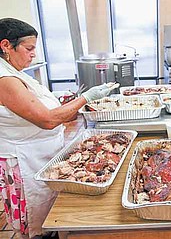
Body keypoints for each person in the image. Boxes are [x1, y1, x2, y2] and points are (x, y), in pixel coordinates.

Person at [0, 18, 119, 238]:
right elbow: (47, 120)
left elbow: (38, 106)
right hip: (25, 159)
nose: (33, 54)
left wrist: (64, 101)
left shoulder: (15, 71)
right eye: (28, 49)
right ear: (6, 45)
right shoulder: (4, 78)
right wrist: (85, 97)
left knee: (48, 214)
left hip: (41, 153)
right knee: (34, 217)